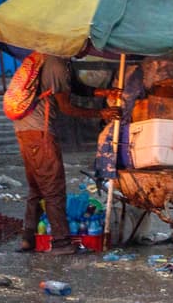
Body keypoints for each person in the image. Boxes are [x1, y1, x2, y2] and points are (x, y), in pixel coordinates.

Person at [11, 54, 118, 254]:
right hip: (39, 132)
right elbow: (66, 107)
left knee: (37, 187)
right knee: (54, 188)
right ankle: (61, 242)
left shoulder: (49, 58)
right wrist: (100, 113)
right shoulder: (56, 64)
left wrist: (102, 92)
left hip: (26, 130)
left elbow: (73, 87)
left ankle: (29, 238)